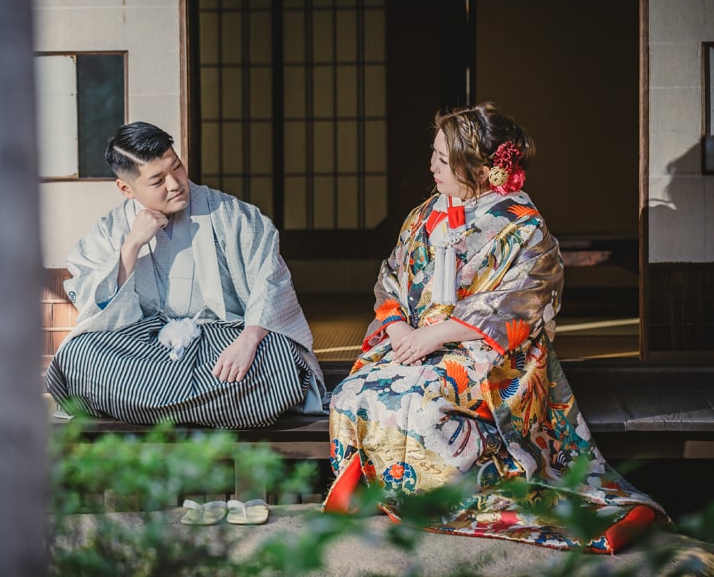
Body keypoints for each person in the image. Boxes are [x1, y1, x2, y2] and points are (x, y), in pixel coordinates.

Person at [322, 102, 669, 553]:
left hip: (488, 356)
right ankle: (371, 486)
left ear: (481, 169)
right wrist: (398, 330)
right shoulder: (424, 214)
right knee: (352, 392)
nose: (431, 166)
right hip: (414, 342)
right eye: (434, 154)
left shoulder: (522, 225)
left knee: (421, 405)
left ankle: (451, 502)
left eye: (442, 159)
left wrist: (436, 334)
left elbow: (522, 302)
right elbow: (390, 277)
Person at [46, 121, 326, 428]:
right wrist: (132, 245)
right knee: (78, 354)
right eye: (157, 180)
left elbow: (271, 279)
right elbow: (98, 312)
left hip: (222, 346)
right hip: (146, 351)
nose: (175, 184)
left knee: (280, 357)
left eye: (176, 167)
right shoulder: (110, 231)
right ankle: (217, 408)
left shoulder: (231, 214)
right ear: (126, 188)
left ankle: (145, 406)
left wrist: (248, 341)